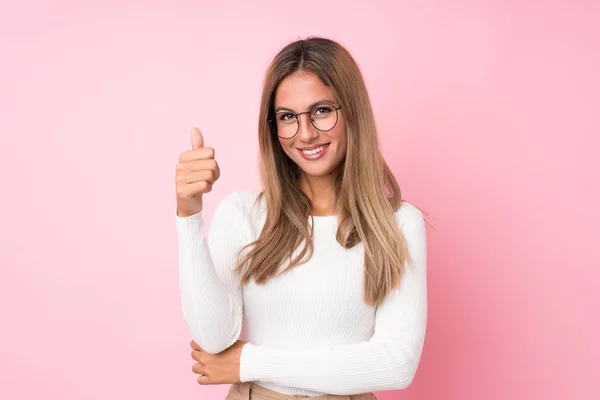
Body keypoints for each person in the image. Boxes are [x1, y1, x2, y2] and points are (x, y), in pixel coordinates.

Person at [174, 37, 427, 400]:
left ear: (352, 111)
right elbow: (214, 339)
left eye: (322, 111)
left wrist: (252, 362)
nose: (306, 133)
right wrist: (189, 214)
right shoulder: (244, 214)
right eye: (288, 117)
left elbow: (397, 363)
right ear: (274, 128)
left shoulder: (399, 224)